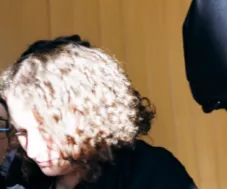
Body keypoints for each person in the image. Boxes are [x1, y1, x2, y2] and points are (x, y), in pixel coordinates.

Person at [0, 35, 197, 189]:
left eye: (47, 130)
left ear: (88, 113)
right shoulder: (19, 176)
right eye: (22, 132)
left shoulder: (150, 171)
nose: (33, 150)